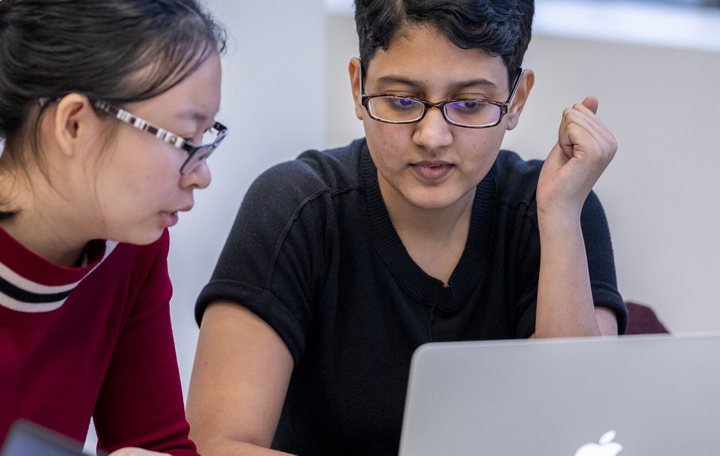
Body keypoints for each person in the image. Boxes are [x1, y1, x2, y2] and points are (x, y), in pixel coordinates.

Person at [187, 1, 627, 455]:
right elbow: (216, 445)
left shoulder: (559, 208)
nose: (432, 136)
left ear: (515, 99)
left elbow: (575, 430)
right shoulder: (295, 208)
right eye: (401, 100)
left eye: (470, 104)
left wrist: (558, 215)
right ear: (358, 86)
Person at [0, 1, 226, 455]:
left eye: (208, 140)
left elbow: (158, 443)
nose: (201, 174)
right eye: (185, 139)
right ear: (75, 124)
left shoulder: (131, 251)